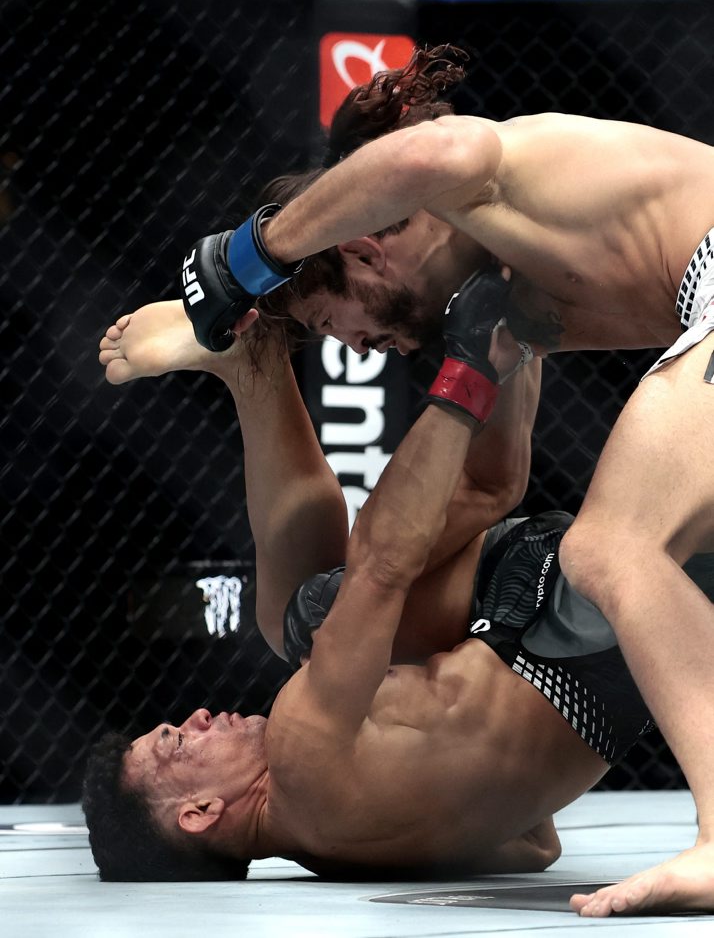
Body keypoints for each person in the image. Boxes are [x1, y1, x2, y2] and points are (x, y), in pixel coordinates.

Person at [173, 46, 714, 915]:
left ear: (362, 250)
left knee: (614, 546)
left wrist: (253, 254)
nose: (359, 350)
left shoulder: (471, 183)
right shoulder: (513, 288)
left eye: (334, 324)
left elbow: (432, 152)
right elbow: (494, 481)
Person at [86, 287, 673, 888]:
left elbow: (534, 845)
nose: (197, 716)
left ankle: (260, 360)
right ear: (200, 812)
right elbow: (384, 565)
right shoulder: (297, 749)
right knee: (322, 603)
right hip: (568, 601)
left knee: (311, 617)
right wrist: (468, 369)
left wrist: (469, 713)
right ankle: (502, 305)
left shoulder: (336, 854)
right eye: (177, 742)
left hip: (618, 685)